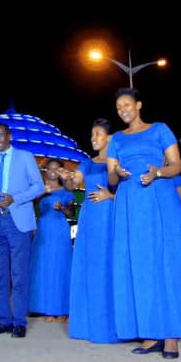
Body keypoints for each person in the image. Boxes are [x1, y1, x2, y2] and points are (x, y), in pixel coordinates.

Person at [108, 88, 181, 359]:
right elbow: (111, 179)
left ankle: (171, 335)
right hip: (130, 204)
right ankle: (151, 333)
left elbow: (176, 165)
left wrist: (157, 172)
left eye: (127, 104)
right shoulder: (116, 139)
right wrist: (117, 172)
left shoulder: (160, 129)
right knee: (139, 267)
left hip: (159, 199)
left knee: (164, 263)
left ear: (138, 105)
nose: (123, 110)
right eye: (118, 107)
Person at [0, 124, 44, 339]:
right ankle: (4, 321)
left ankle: (19, 322)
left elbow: (38, 186)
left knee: (19, 274)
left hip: (17, 221)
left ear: (9, 136)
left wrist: (15, 199)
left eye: (0, 135)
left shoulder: (25, 157)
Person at [63, 118, 117, 343]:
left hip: (111, 217)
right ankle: (88, 324)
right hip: (90, 219)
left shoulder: (118, 161)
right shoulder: (88, 163)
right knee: (90, 266)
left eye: (98, 134)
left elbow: (130, 190)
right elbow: (74, 183)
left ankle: (112, 325)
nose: (93, 138)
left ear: (109, 137)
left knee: (109, 266)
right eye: (92, 134)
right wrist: (67, 179)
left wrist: (111, 196)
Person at [29, 159, 73, 322]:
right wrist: (43, 192)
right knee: (44, 267)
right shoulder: (39, 190)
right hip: (43, 231)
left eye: (56, 169)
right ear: (45, 171)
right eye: (49, 169)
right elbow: (28, 202)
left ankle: (62, 309)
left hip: (60, 230)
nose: (53, 171)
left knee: (60, 267)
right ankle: (46, 308)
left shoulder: (66, 190)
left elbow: (71, 213)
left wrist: (62, 208)